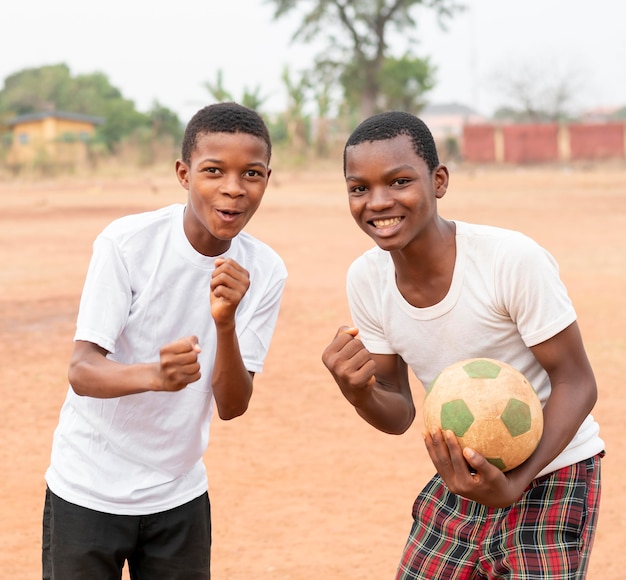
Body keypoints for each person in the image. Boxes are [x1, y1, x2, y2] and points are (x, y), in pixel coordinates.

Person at [322, 111, 604, 579]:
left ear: (438, 181)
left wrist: (515, 482)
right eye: (359, 188)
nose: (378, 201)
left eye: (399, 181)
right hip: (460, 473)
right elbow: (400, 414)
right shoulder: (367, 279)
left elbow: (577, 382)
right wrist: (360, 393)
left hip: (556, 467)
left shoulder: (509, 260)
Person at [42, 102, 287, 579]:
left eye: (251, 174)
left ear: (266, 179)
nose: (233, 189)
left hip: (178, 496)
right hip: (88, 489)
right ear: (183, 173)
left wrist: (225, 323)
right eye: (214, 171)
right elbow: (82, 370)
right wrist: (154, 375)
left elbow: (233, 404)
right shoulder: (128, 243)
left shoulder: (265, 269)